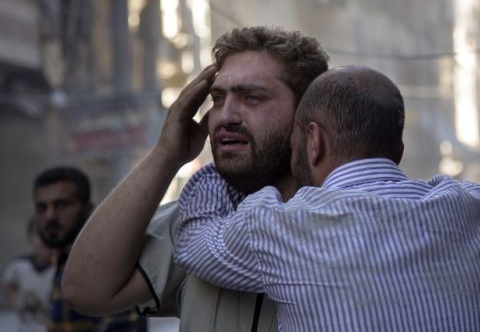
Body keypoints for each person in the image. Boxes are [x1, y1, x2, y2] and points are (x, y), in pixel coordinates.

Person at [173, 66, 480, 331]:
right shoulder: (471, 208)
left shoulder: (280, 227)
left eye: (295, 140)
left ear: (314, 141)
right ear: (398, 151)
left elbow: (194, 242)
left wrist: (220, 157)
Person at [61, 26, 329, 332]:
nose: (226, 115)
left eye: (252, 97)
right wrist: (166, 155)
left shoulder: (352, 220)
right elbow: (85, 290)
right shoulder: (197, 224)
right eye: (217, 98)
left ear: (307, 117)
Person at [32, 166, 147, 331]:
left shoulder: (102, 263)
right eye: (42, 208)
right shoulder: (65, 259)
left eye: (62, 205)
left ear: (89, 210)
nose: (50, 216)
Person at [3, 219, 55, 332]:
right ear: (29, 238)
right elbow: (8, 283)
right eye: (38, 235)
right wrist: (16, 302)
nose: (42, 240)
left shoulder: (59, 270)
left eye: (47, 235)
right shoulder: (18, 266)